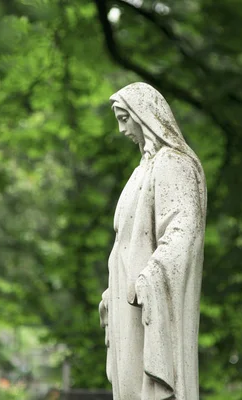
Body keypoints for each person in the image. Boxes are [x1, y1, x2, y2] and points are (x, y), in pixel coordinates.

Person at [99, 82, 207, 400]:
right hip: (126, 295)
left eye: (123, 117)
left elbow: (183, 230)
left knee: (144, 385)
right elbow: (125, 241)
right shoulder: (142, 170)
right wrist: (112, 290)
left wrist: (151, 276)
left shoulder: (173, 164)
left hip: (144, 294)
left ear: (142, 116)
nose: (121, 129)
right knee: (127, 384)